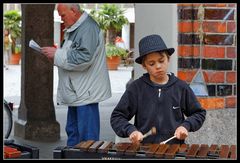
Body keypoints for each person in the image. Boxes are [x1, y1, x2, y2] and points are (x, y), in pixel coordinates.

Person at [110, 34, 206, 144]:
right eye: (152, 63)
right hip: (144, 149)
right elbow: (117, 117)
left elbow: (199, 113)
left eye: (161, 61)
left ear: (168, 59)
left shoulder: (180, 87)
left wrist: (186, 126)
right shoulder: (136, 88)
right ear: (144, 66)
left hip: (174, 149)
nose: (158, 66)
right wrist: (131, 131)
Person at [41, 4, 112, 147]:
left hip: (85, 93)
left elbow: (84, 58)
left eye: (63, 15)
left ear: (73, 11)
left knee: (88, 140)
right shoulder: (76, 27)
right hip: (78, 91)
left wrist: (57, 54)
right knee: (73, 134)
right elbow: (70, 56)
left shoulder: (88, 28)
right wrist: (55, 57)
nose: (61, 19)